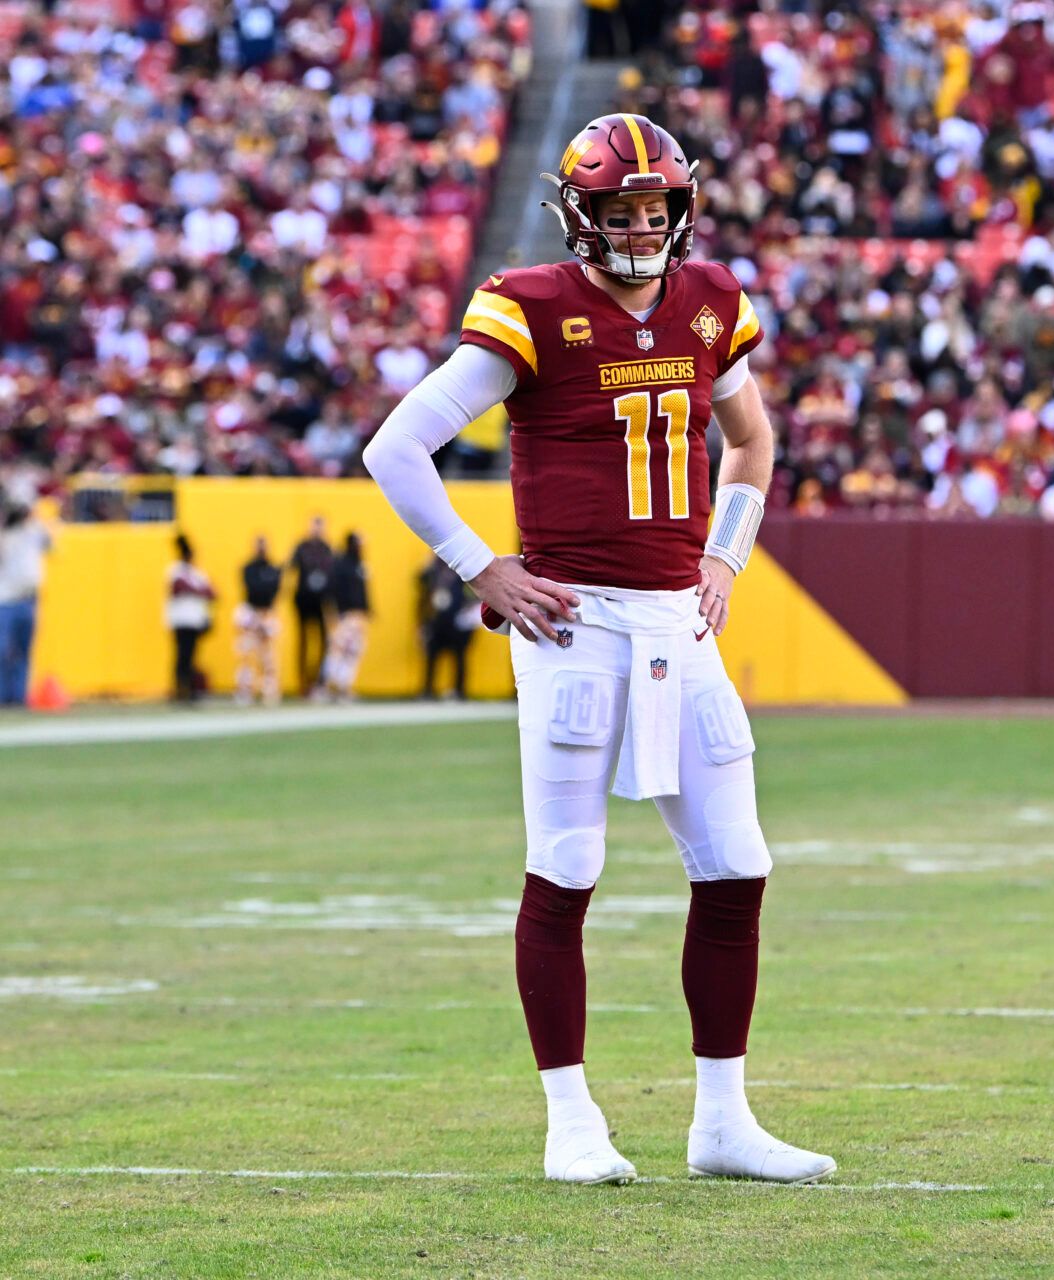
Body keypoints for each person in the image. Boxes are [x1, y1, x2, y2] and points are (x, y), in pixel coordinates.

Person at [364, 113, 831, 1186]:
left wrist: (728, 556)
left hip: (681, 618)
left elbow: (752, 436)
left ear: (682, 208)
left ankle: (722, 1120)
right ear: (579, 214)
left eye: (655, 208)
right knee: (567, 866)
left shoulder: (711, 299)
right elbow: (397, 445)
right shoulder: (530, 308)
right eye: (619, 210)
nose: (638, 227)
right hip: (574, 624)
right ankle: (569, 1120)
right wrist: (480, 566)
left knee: (738, 864)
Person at [0, 503, 51, 707]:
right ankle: (3, 696)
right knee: (3, 650)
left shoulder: (33, 533)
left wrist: (33, 517)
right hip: (5, 600)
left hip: (28, 599)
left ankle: (18, 697)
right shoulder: (6, 538)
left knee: (24, 650)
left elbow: (51, 542)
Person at [320, 532, 370, 702]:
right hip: (345, 615)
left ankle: (344, 687)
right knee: (337, 651)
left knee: (353, 653)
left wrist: (368, 610)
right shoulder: (340, 564)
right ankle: (329, 686)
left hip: (358, 616)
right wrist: (334, 615)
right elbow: (331, 592)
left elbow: (363, 591)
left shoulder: (360, 564)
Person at [419, 557, 479, 699]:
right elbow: (421, 584)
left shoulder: (462, 573)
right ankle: (428, 690)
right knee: (432, 656)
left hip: (458, 623)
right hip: (438, 623)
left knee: (459, 657)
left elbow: (474, 596)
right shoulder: (434, 572)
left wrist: (467, 613)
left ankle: (459, 690)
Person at [165, 534, 215, 703]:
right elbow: (177, 587)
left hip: (195, 620)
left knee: (191, 656)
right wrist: (198, 590)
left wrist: (195, 590)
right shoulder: (175, 569)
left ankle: (191, 690)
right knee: (182, 656)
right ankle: (181, 690)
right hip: (180, 620)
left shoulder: (197, 573)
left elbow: (212, 593)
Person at [235, 536, 284, 706]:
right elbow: (253, 589)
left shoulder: (273, 568)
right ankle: (245, 690)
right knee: (246, 654)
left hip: (267, 613)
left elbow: (274, 590)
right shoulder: (248, 568)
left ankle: (269, 691)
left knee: (268, 657)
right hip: (250, 612)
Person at [290, 517, 334, 695]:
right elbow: (291, 569)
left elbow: (332, 574)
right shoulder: (302, 546)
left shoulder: (327, 548)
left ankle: (319, 680)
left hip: (321, 601)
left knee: (324, 641)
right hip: (304, 599)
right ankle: (303, 681)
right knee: (303, 641)